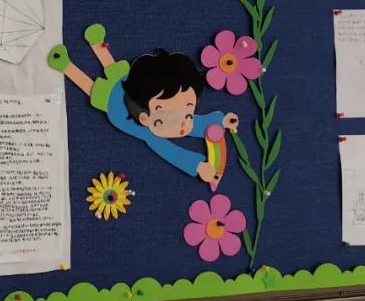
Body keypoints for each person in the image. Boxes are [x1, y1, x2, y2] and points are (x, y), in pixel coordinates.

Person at [48, 25, 238, 189]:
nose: (183, 124)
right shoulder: (152, 135)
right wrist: (197, 165)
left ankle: (88, 47)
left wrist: (219, 121)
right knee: (94, 88)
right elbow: (170, 151)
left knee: (114, 72)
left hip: (135, 88)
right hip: (116, 107)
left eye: (188, 112)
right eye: (171, 116)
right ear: (145, 119)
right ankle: (68, 64)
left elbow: (191, 123)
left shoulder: (168, 118)